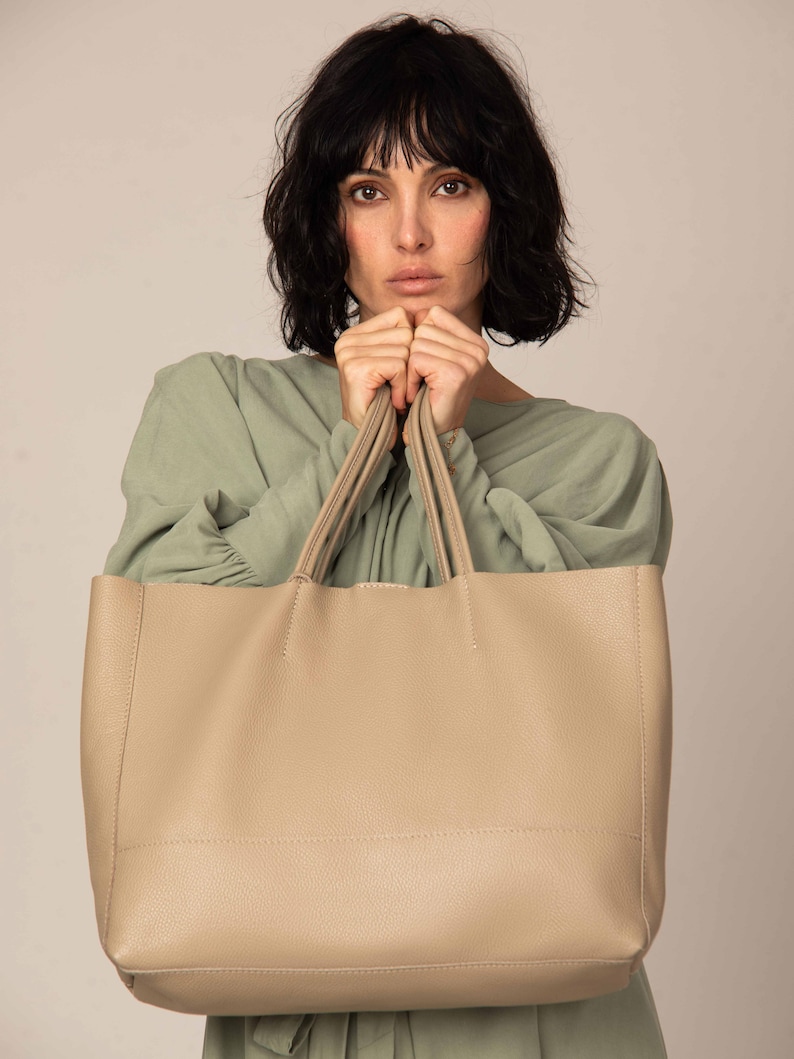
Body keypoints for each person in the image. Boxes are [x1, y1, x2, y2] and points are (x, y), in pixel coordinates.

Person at [103, 14, 671, 1058]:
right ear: (330, 222)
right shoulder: (213, 408)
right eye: (368, 192)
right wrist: (349, 447)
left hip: (538, 1020)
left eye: (449, 185)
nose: (409, 236)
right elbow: (162, 652)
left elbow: (572, 695)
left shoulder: (601, 461)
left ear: (504, 212)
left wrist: (446, 447)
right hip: (296, 1006)